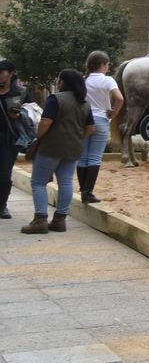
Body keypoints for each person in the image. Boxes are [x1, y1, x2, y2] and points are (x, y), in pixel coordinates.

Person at [21, 69, 93, 234]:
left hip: (51, 147)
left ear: (63, 82)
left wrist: (39, 135)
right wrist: (78, 138)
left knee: (38, 182)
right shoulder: (84, 103)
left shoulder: (56, 99)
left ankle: (40, 220)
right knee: (66, 182)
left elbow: (46, 122)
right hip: (73, 148)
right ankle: (60, 220)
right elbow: (91, 128)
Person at [78, 51, 123, 205]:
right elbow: (119, 98)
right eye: (107, 64)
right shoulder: (107, 80)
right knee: (95, 157)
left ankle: (83, 189)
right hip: (101, 119)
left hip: (84, 120)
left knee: (82, 157)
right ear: (102, 64)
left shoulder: (83, 80)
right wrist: (114, 112)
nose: (108, 67)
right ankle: (88, 191)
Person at [0, 59, 26, 219]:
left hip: (9, 138)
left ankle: (2, 205)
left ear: (11, 74)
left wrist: (19, 115)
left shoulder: (20, 93)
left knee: (4, 174)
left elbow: (33, 113)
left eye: (1, 72)